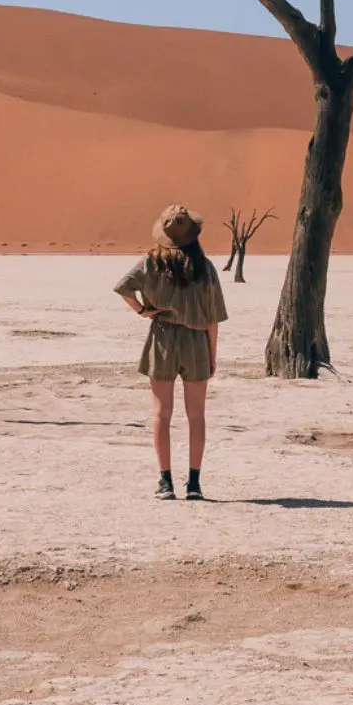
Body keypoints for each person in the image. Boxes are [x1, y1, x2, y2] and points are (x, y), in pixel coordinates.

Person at [112, 205, 228, 500]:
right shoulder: (205, 267)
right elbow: (213, 319)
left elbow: (123, 287)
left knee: (161, 414)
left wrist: (143, 310)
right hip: (196, 341)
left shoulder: (151, 263)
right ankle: (194, 484)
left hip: (162, 339)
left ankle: (165, 483)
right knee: (197, 415)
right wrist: (212, 354)